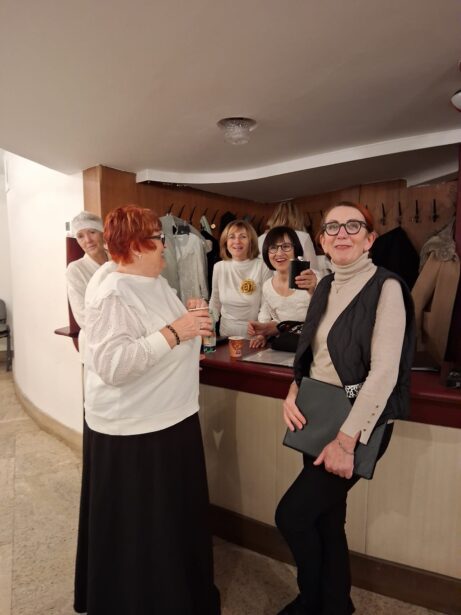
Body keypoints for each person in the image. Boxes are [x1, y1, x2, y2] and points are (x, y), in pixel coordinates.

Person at [74, 206, 220, 615]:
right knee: (145, 531)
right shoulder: (113, 292)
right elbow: (113, 365)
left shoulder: (156, 283)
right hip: (136, 430)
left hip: (171, 417)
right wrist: (177, 331)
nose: (165, 247)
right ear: (136, 246)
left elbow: (160, 340)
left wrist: (191, 326)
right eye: (157, 239)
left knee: (171, 525)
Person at [275, 202, 415, 615]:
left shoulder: (386, 288)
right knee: (327, 519)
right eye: (332, 227)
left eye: (353, 226)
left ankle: (311, 602)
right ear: (322, 241)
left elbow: (384, 374)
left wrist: (345, 441)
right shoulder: (324, 287)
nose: (342, 233)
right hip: (318, 413)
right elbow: (313, 354)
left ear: (370, 239)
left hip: (355, 425)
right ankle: (335, 605)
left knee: (292, 516)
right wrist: (293, 389)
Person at [247, 226, 317, 348]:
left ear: (296, 250)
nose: (279, 253)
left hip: (313, 348)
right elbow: (279, 323)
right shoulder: (268, 286)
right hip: (287, 347)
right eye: (273, 248)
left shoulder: (313, 278)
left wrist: (313, 291)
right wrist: (263, 333)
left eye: (286, 246)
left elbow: (325, 317)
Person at [209, 219, 272, 338]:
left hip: (253, 335)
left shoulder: (263, 266)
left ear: (251, 241)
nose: (237, 241)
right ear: (225, 242)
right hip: (225, 334)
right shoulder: (219, 267)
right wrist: (209, 326)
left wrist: (261, 332)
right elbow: (215, 301)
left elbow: (266, 304)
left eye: (243, 237)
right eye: (232, 237)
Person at [66, 211, 108, 356]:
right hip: (97, 343)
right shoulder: (75, 270)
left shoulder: (118, 260)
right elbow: (83, 315)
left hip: (128, 339)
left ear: (103, 233)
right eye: (80, 236)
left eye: (92, 232)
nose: (88, 240)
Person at [258, 201, 319, 269]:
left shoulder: (260, 238)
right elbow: (313, 267)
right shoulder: (303, 236)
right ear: (298, 217)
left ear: (275, 216)